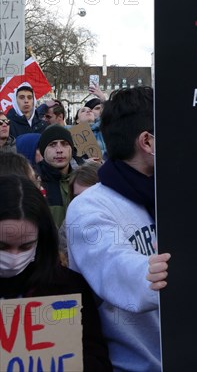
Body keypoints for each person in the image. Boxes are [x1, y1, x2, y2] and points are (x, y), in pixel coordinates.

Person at [66, 86, 170, 372]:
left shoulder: (176, 194)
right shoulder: (90, 206)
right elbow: (117, 270)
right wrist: (160, 272)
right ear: (148, 142)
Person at [0, 175, 112, 370]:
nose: (14, 257)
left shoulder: (68, 288)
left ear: (41, 240)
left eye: (26, 246)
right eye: (2, 246)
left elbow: (97, 358)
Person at [37, 125, 78, 227]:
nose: (59, 150)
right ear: (43, 150)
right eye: (53, 144)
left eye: (65, 144)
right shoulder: (34, 182)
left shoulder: (80, 180)